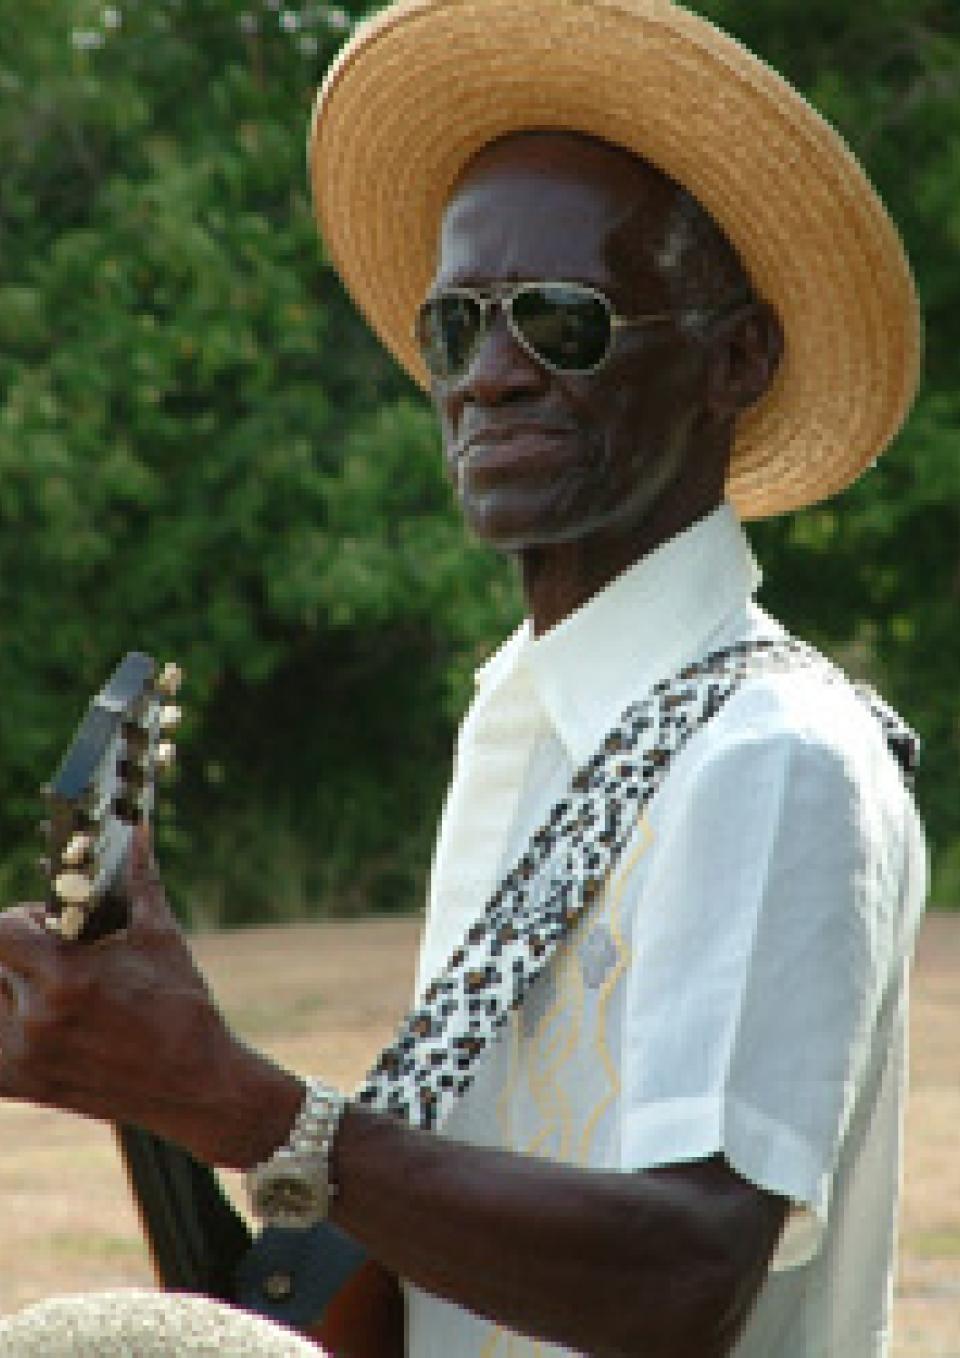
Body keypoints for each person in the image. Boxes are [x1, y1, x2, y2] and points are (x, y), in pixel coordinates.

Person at [0, 1, 926, 1355]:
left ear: (737, 359)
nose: (489, 377)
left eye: (563, 319)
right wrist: (156, 1075)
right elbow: (424, 1292)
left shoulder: (773, 752)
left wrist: (243, 1102)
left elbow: (684, 1276)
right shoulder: (522, 725)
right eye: (457, 325)